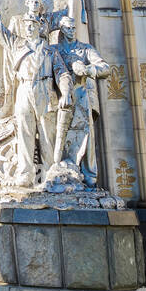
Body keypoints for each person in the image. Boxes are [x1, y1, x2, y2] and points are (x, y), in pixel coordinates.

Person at [0, 0, 73, 188]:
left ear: (39, 27)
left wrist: (66, 92)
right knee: (24, 131)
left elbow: (63, 74)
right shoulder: (17, 44)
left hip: (44, 89)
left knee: (46, 133)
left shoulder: (50, 51)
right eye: (27, 26)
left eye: (32, 25)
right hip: (24, 90)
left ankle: (50, 172)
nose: (29, 28)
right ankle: (25, 174)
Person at [54, 14, 110, 186]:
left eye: (73, 28)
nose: (71, 31)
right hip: (60, 99)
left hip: (82, 96)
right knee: (59, 136)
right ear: (61, 30)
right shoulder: (54, 49)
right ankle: (59, 168)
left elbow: (105, 68)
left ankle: (89, 177)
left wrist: (86, 69)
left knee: (86, 136)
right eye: (67, 28)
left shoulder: (85, 49)